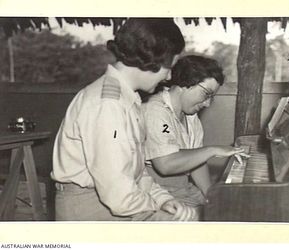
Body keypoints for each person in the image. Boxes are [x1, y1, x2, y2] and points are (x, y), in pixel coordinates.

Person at [51, 18, 197, 221]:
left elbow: (133, 171)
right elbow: (118, 193)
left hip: (112, 200)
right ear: (151, 60)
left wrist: (162, 198)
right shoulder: (108, 105)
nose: (169, 76)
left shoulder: (126, 98)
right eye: (168, 67)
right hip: (90, 210)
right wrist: (158, 210)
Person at [143, 55, 249, 217]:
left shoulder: (190, 116)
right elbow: (165, 164)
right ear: (186, 83)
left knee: (232, 210)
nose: (207, 103)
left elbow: (196, 162)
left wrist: (211, 196)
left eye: (211, 97)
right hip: (159, 194)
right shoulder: (155, 111)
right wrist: (212, 150)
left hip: (184, 190)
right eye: (206, 94)